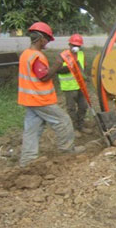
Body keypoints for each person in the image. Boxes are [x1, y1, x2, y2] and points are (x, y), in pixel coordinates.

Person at [18, 22, 75, 167]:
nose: (47, 43)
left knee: (32, 130)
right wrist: (57, 63)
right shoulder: (36, 56)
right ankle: (67, 151)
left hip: (30, 99)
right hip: (40, 99)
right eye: (47, 39)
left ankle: (27, 160)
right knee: (63, 121)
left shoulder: (26, 54)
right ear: (41, 39)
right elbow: (43, 77)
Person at [57, 34, 92, 135]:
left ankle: (80, 125)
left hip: (80, 86)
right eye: (73, 45)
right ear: (69, 44)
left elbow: (83, 68)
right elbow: (58, 70)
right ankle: (74, 128)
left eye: (78, 45)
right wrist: (70, 66)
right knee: (71, 108)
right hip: (69, 87)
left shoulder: (81, 55)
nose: (75, 47)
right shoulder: (63, 56)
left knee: (83, 106)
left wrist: (87, 78)